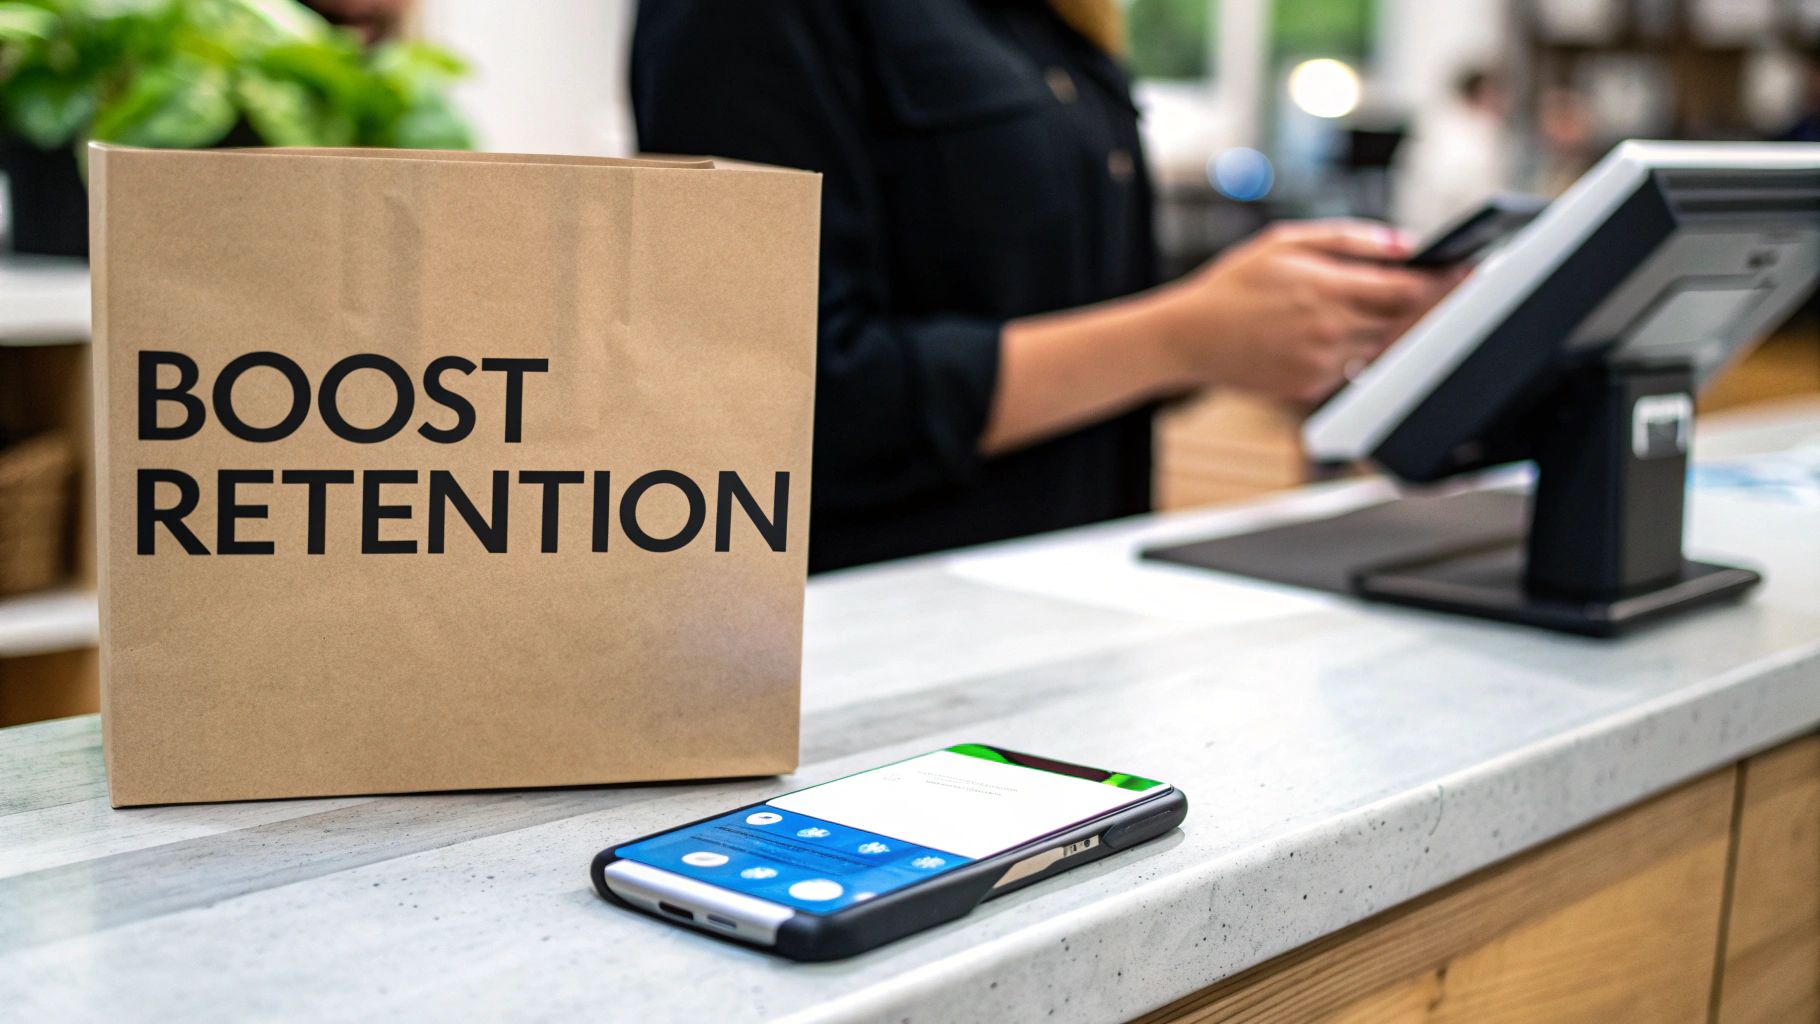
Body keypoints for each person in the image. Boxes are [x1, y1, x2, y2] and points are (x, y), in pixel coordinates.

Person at [634, 1, 1455, 572]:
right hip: (870, 632)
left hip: (1068, 602)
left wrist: (1279, 323)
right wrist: (1183, 336)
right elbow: (776, 398)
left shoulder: (1050, 23)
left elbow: (1077, 321)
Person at [1393, 66, 1518, 236]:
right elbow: (1449, 186)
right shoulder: (1450, 133)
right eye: (1496, 94)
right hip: (1444, 225)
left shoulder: (1487, 131)